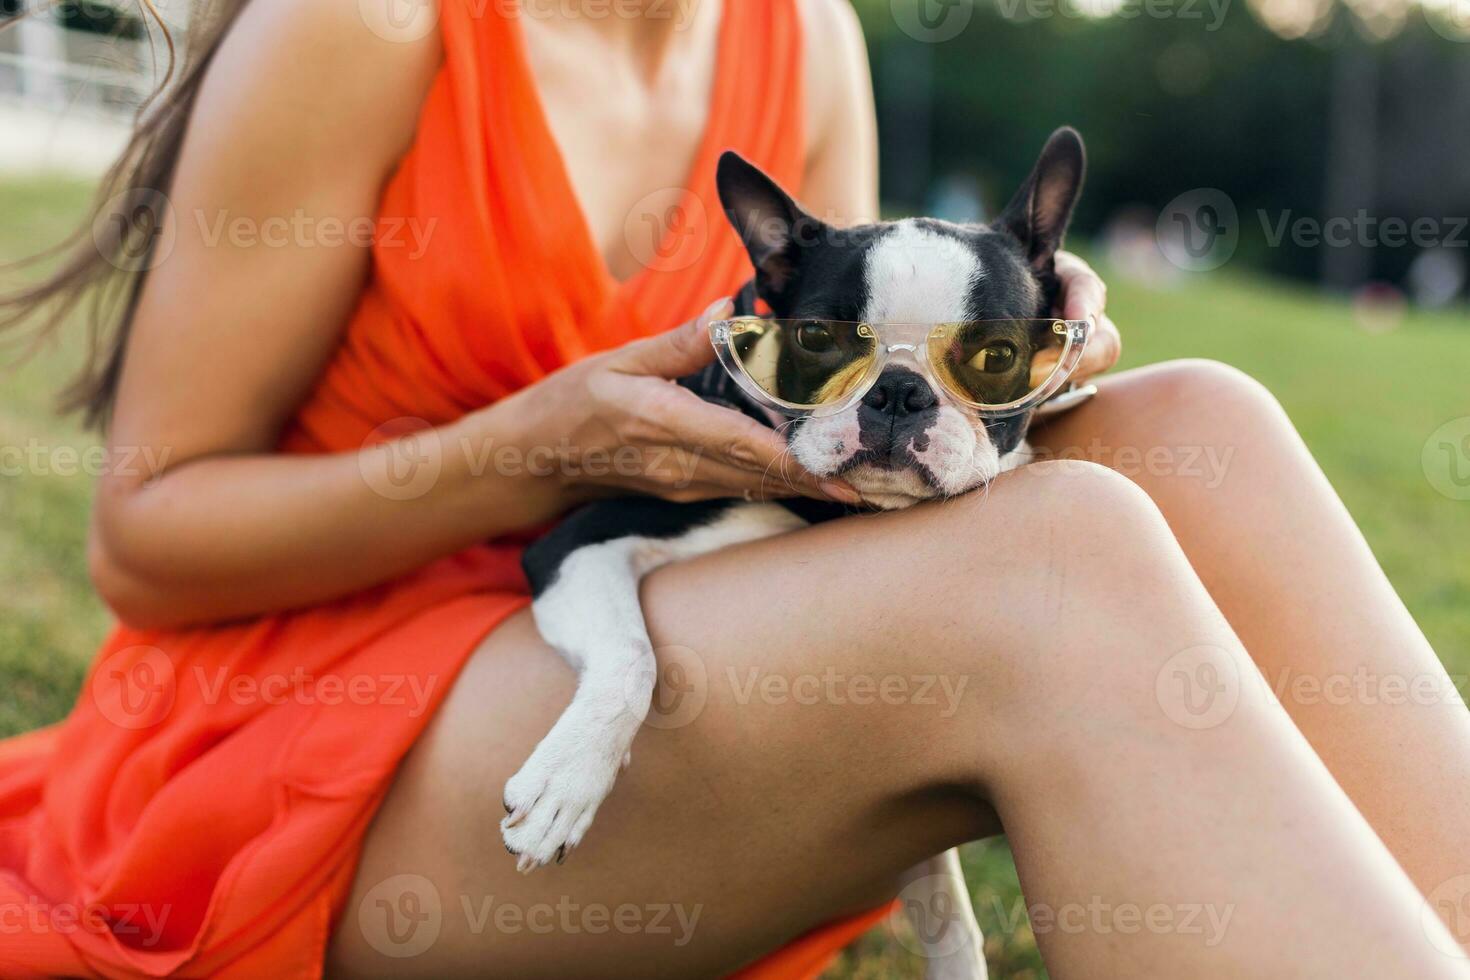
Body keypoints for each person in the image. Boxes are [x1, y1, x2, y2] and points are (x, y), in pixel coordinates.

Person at [2, 1, 1468, 977]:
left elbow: (846, 441)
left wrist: (1004, 349)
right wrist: (539, 446)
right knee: (1054, 562)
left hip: (688, 609)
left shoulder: (800, 29)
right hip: (309, 728)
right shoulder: (367, 25)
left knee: (1195, 415)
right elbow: (146, 536)